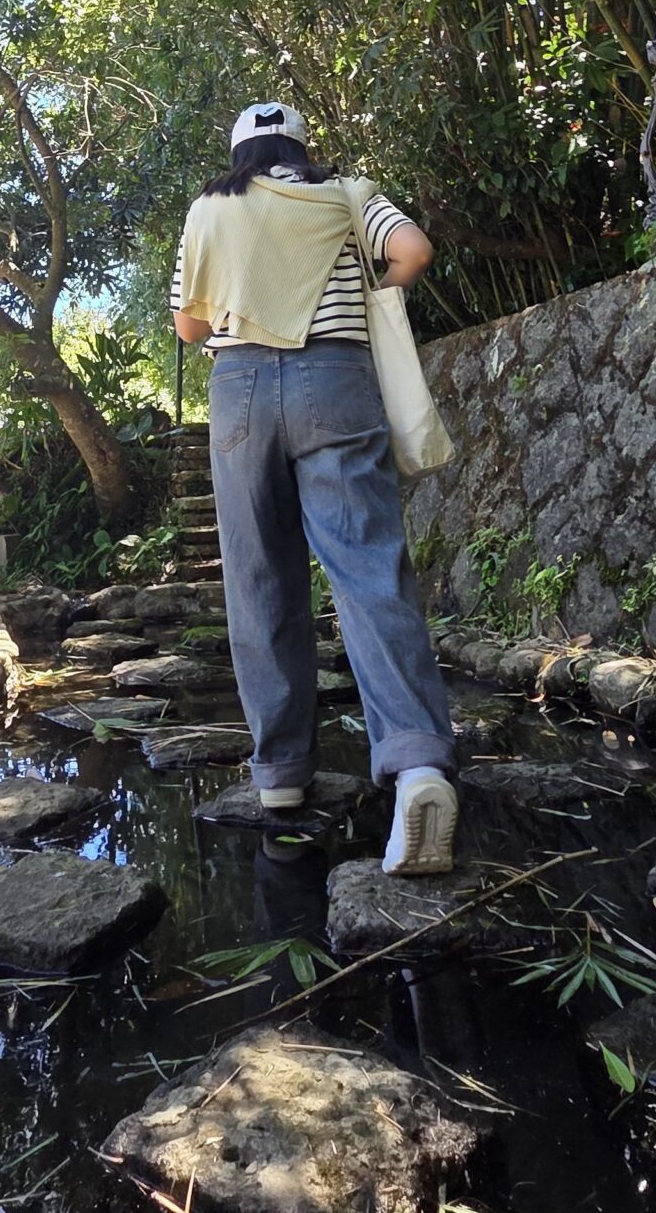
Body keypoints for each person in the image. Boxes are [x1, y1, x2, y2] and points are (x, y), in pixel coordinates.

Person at [170, 102, 460, 875]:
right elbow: (414, 253)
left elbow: (189, 328)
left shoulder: (210, 205)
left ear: (240, 150)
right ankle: (418, 764)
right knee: (368, 571)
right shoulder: (349, 193)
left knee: (260, 577)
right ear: (301, 146)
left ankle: (280, 779)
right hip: (336, 379)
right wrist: (365, 284)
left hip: (239, 392)